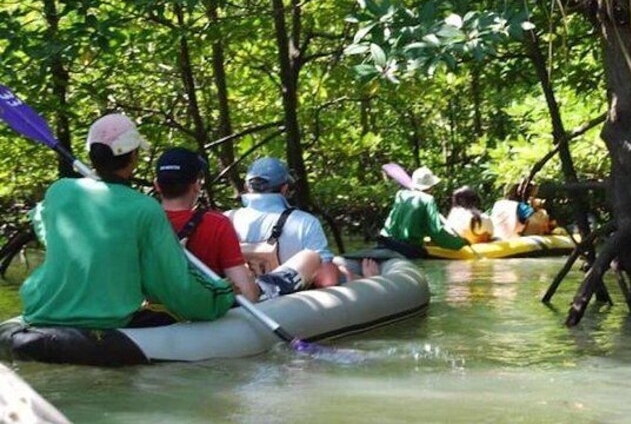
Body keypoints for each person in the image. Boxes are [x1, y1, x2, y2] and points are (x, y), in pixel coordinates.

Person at [20, 114, 234, 329]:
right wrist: (220, 295)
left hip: (40, 311)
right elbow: (171, 283)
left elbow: (42, 223)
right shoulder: (145, 208)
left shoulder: (60, 191)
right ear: (133, 156)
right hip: (106, 320)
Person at [154, 147, 322, 302]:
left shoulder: (143, 220)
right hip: (209, 303)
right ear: (197, 185)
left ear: (157, 185)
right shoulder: (216, 223)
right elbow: (246, 292)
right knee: (311, 258)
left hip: (161, 304)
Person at [225, 157, 371, 288]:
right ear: (285, 188)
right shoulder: (305, 223)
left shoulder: (226, 220)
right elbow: (327, 280)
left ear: (246, 188)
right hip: (293, 309)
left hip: (245, 305)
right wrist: (341, 272)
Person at [379, 166, 470, 258]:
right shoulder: (428, 200)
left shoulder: (401, 195)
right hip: (406, 248)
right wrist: (459, 243)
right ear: (430, 186)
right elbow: (436, 232)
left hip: (385, 241)